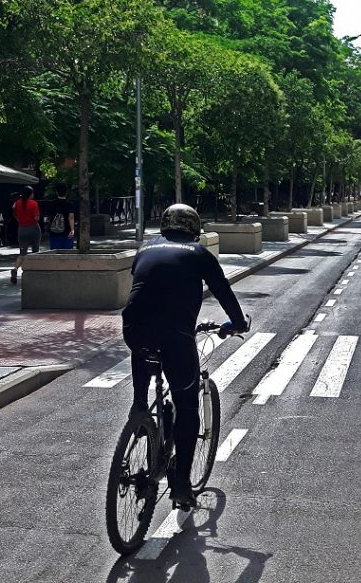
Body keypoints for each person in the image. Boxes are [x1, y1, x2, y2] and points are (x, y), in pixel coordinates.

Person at [122, 203, 249, 508]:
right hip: (175, 336)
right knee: (187, 406)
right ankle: (180, 484)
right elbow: (223, 292)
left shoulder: (145, 249)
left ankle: (139, 408)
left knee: (142, 345)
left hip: (133, 328)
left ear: (164, 226)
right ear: (194, 229)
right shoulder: (199, 254)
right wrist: (239, 322)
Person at [9, 186, 40, 284]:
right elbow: (36, 218)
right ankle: (34, 272)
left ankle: (15, 269)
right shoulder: (34, 204)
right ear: (30, 194)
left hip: (22, 229)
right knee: (35, 251)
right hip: (33, 229)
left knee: (22, 253)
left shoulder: (17, 204)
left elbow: (15, 215)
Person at [44, 183, 76, 250]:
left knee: (54, 253)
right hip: (67, 232)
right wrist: (72, 230)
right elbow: (71, 218)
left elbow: (48, 217)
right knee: (67, 253)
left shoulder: (51, 204)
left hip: (54, 232)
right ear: (66, 192)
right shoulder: (70, 205)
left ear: (56, 192)